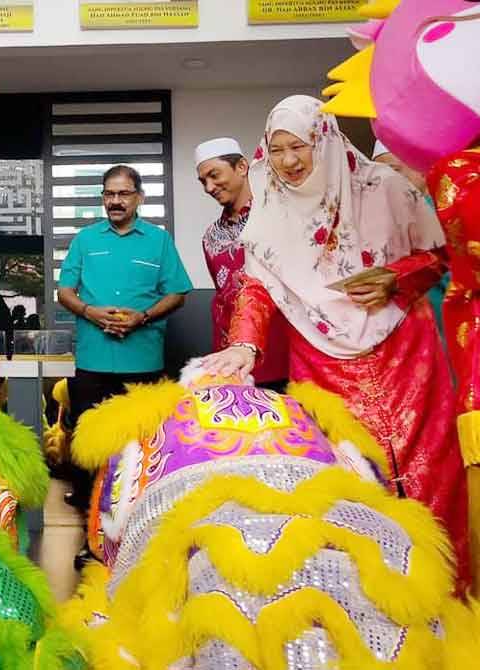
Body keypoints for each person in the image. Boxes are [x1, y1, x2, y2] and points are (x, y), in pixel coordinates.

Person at [202, 95, 469, 589]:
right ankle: (367, 600)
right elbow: (257, 288)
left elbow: (438, 256)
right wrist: (244, 346)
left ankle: (446, 596)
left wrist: (396, 276)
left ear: (323, 140)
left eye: (299, 146)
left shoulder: (385, 188)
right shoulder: (269, 214)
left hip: (404, 353)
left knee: (431, 471)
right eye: (276, 149)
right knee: (346, 477)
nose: (288, 161)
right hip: (320, 358)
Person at [57, 164, 193, 432]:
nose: (115, 201)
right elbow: (64, 292)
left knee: (143, 443)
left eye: (123, 194)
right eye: (109, 195)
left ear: (139, 197)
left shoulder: (159, 240)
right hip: (92, 361)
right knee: (90, 445)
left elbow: (177, 294)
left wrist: (142, 317)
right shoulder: (84, 239)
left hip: (143, 362)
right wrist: (89, 312)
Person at [196, 137, 289, 387]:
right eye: (203, 181)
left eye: (214, 175)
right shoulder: (210, 236)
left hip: (281, 354)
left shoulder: (279, 218)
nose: (209, 187)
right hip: (230, 361)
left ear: (242, 167)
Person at [372, 139, 450, 340]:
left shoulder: (446, 209)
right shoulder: (380, 218)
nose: (386, 180)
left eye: (394, 170)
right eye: (378, 175)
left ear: (422, 169)